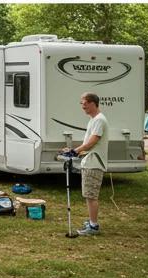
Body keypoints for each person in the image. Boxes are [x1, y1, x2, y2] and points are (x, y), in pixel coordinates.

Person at [62, 92, 109, 237]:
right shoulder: (93, 119)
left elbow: (92, 141)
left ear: (93, 103)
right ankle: (91, 221)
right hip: (89, 161)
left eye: (84, 104)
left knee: (91, 196)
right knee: (88, 195)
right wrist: (74, 151)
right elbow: (88, 144)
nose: (83, 107)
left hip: (94, 163)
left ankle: (93, 226)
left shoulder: (99, 120)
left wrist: (75, 151)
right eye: (81, 104)